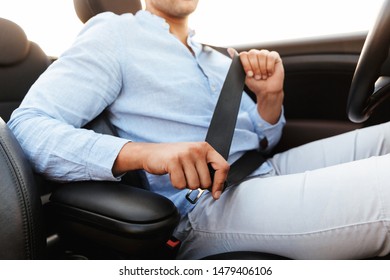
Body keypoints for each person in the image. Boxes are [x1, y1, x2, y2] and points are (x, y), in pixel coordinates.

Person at [8, 0, 390, 260]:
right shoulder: (113, 35)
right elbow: (28, 128)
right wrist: (143, 153)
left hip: (261, 169)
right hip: (204, 207)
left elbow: (261, 141)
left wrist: (270, 101)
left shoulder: (218, 56)